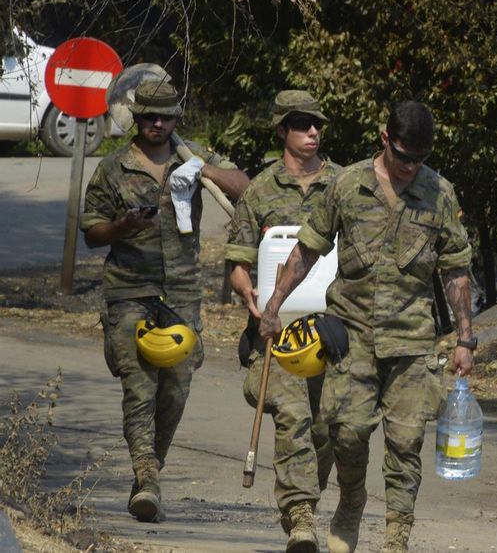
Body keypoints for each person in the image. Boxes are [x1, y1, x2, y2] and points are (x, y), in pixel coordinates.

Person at [259, 100, 474, 553]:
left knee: (406, 440)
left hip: (412, 339)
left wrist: (465, 336)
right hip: (351, 332)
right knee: (347, 431)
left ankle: (397, 536)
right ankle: (352, 498)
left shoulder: (440, 194)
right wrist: (274, 304)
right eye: (403, 156)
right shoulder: (347, 184)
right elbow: (308, 248)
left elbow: (455, 271)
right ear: (384, 140)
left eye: (420, 158)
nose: (411, 166)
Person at [81, 78, 248, 523]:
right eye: (149, 117)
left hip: (181, 295)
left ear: (177, 117)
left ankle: (147, 475)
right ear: (136, 119)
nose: (157, 124)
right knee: (139, 388)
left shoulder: (191, 157)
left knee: (174, 391)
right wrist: (120, 227)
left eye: (166, 117)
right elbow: (91, 231)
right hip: (129, 290)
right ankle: (148, 478)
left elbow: (244, 188)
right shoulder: (114, 168)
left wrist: (204, 171)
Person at [224, 90, 340, 552]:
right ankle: (300, 515)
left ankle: (305, 498)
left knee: (328, 425)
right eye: (301, 124)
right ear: (281, 131)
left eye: (316, 124)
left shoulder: (344, 185)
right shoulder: (259, 192)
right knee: (292, 414)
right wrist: (247, 290)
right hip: (276, 333)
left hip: (331, 331)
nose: (313, 132)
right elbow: (238, 259)